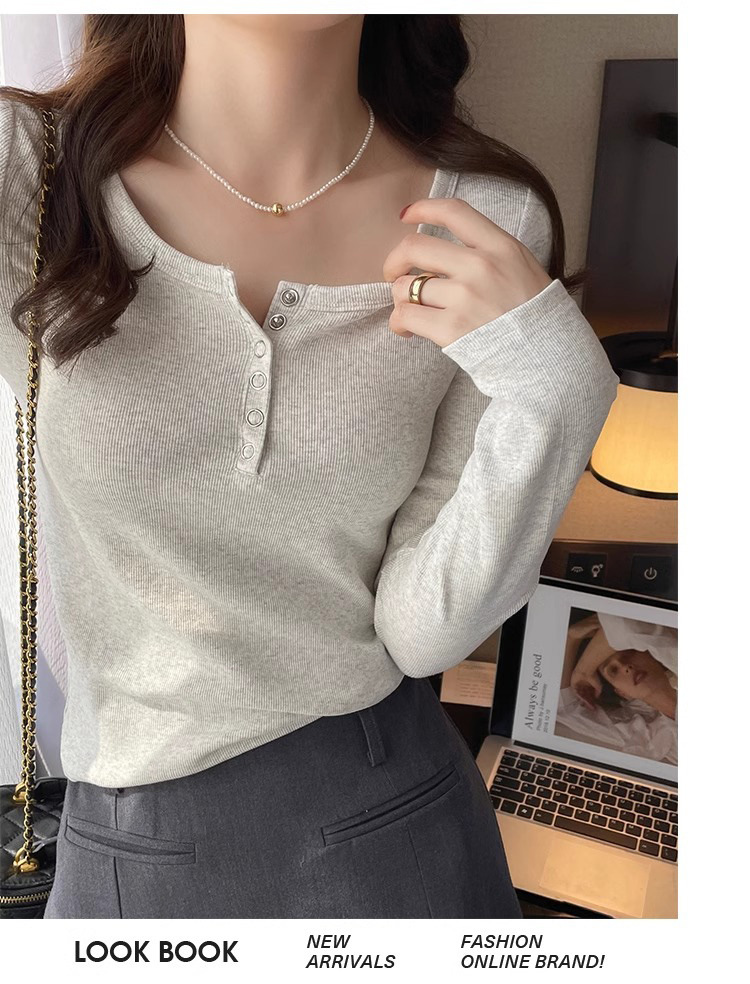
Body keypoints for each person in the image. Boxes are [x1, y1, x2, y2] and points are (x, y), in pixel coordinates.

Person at [0, 15, 619, 918]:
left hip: (400, 824)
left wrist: (559, 392)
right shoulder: (30, 169)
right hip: (129, 835)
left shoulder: (487, 218)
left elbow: (424, 632)